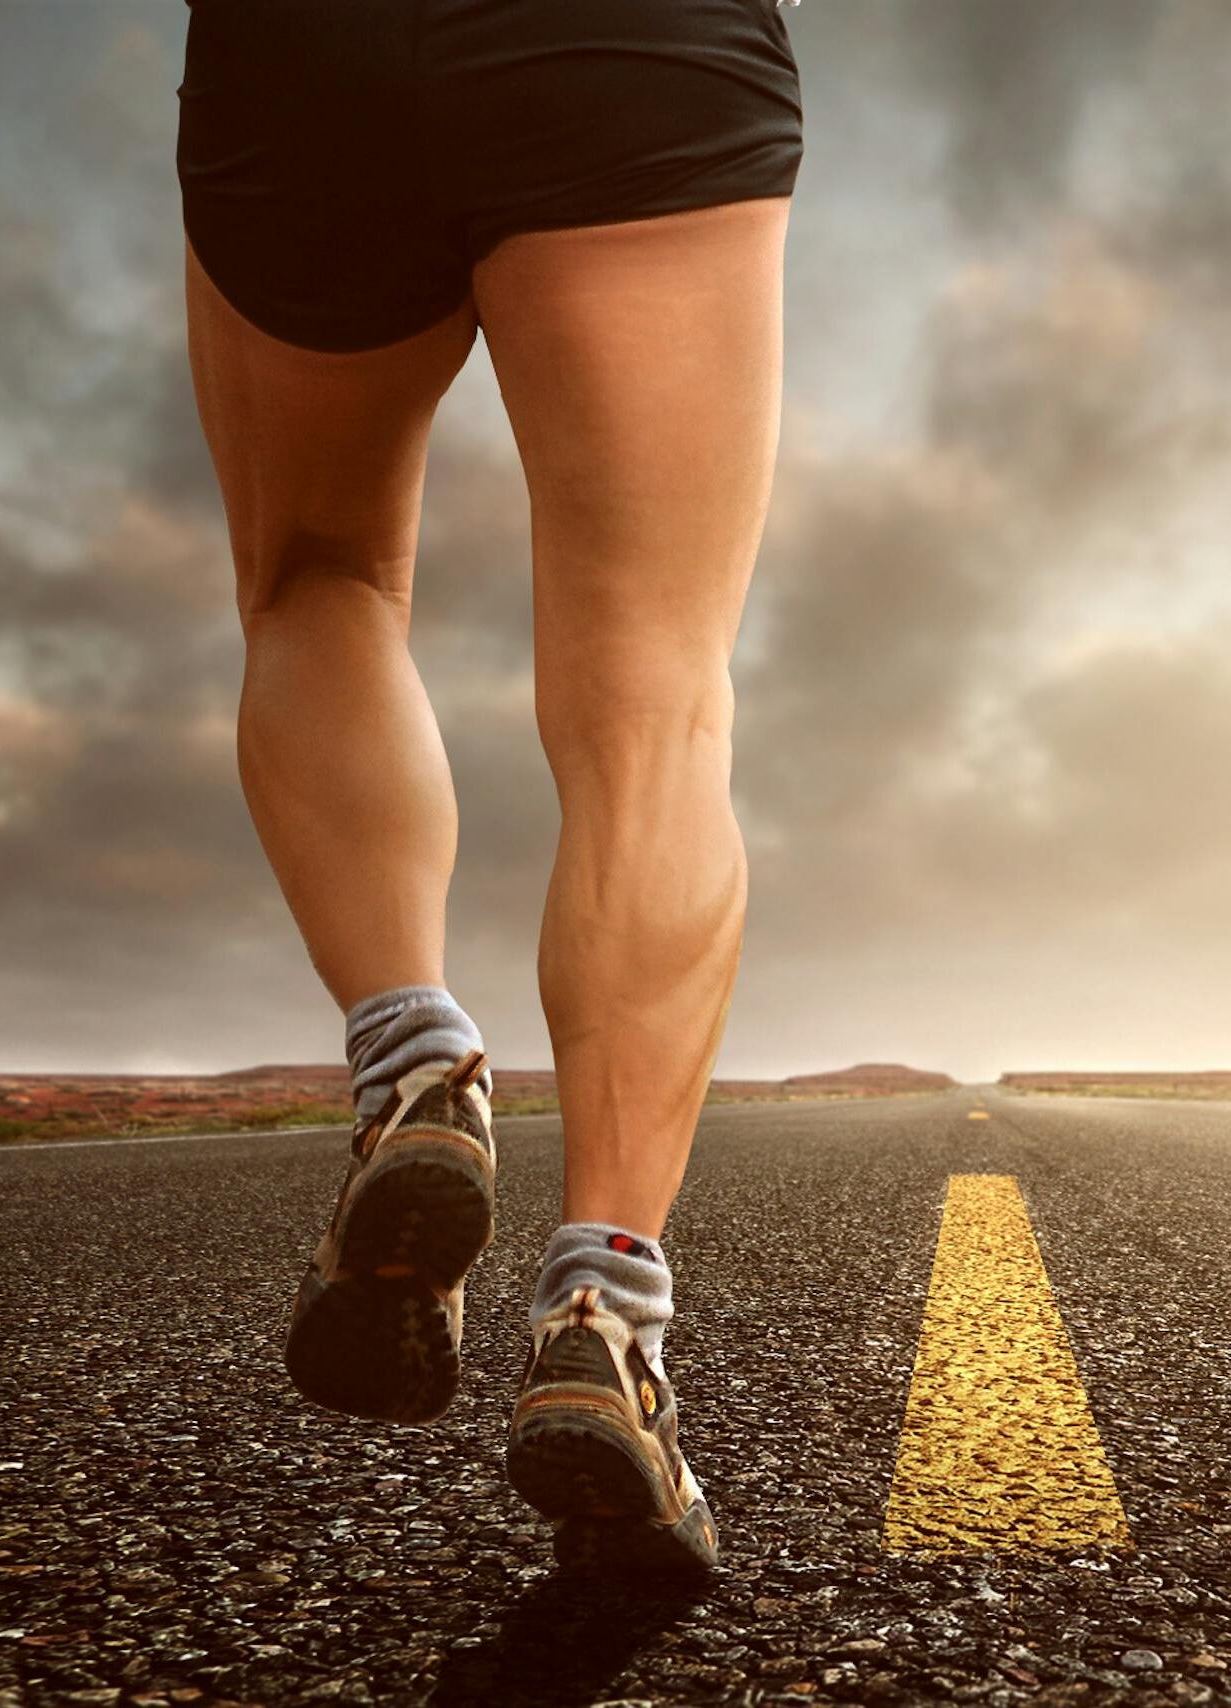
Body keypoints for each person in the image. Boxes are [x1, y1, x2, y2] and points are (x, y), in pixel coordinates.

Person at [175, 0, 803, 1576]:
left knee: (317, 579)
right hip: (635, 50)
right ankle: (603, 1309)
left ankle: (414, 1053)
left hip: (298, 52)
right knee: (653, 702)